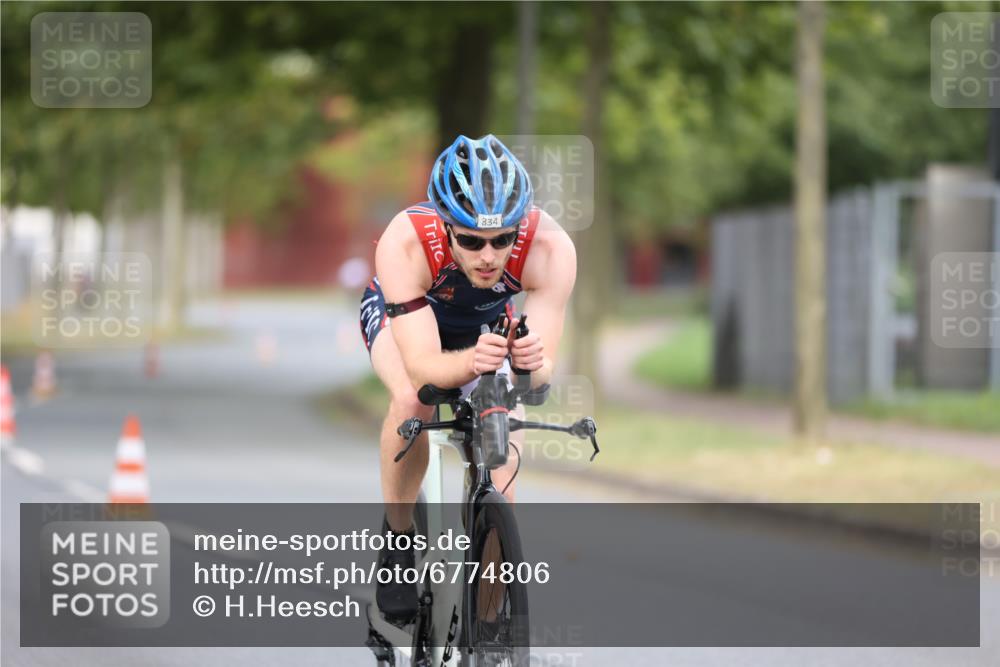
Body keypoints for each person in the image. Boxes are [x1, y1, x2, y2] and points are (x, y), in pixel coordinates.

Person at [359, 134, 577, 622]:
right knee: (413, 400)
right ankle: (397, 544)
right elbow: (425, 371)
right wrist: (474, 363)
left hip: (486, 328)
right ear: (445, 226)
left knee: (504, 458)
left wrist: (525, 362)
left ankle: (490, 623)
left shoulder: (550, 250)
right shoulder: (407, 241)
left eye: (503, 240)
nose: (488, 255)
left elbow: (537, 384)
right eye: (472, 240)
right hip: (412, 323)